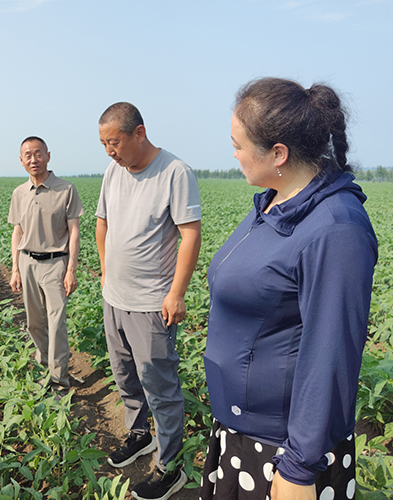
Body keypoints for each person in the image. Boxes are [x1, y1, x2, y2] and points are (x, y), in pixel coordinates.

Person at [200, 78, 378, 500]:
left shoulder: (336, 229)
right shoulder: (274, 201)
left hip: (282, 451)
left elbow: (331, 356)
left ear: (278, 153)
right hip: (242, 433)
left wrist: (299, 468)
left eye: (238, 144)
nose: (234, 154)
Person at [96, 102, 202, 500]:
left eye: (115, 142)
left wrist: (176, 293)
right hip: (114, 298)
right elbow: (102, 222)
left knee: (159, 385)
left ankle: (169, 465)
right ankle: (140, 435)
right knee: (125, 375)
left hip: (151, 304)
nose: (110, 151)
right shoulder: (113, 171)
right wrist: (106, 272)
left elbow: (189, 235)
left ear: (139, 133)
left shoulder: (175, 172)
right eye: (104, 144)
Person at [8, 136, 83, 395]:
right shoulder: (19, 193)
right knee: (35, 323)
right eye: (27, 155)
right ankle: (45, 369)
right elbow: (17, 233)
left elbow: (74, 232)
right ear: (21, 161)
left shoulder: (66, 190)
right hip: (27, 262)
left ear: (48, 156)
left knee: (57, 323)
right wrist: (15, 268)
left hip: (55, 264)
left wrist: (71, 269)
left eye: (37, 154)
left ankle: (60, 381)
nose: (33, 159)